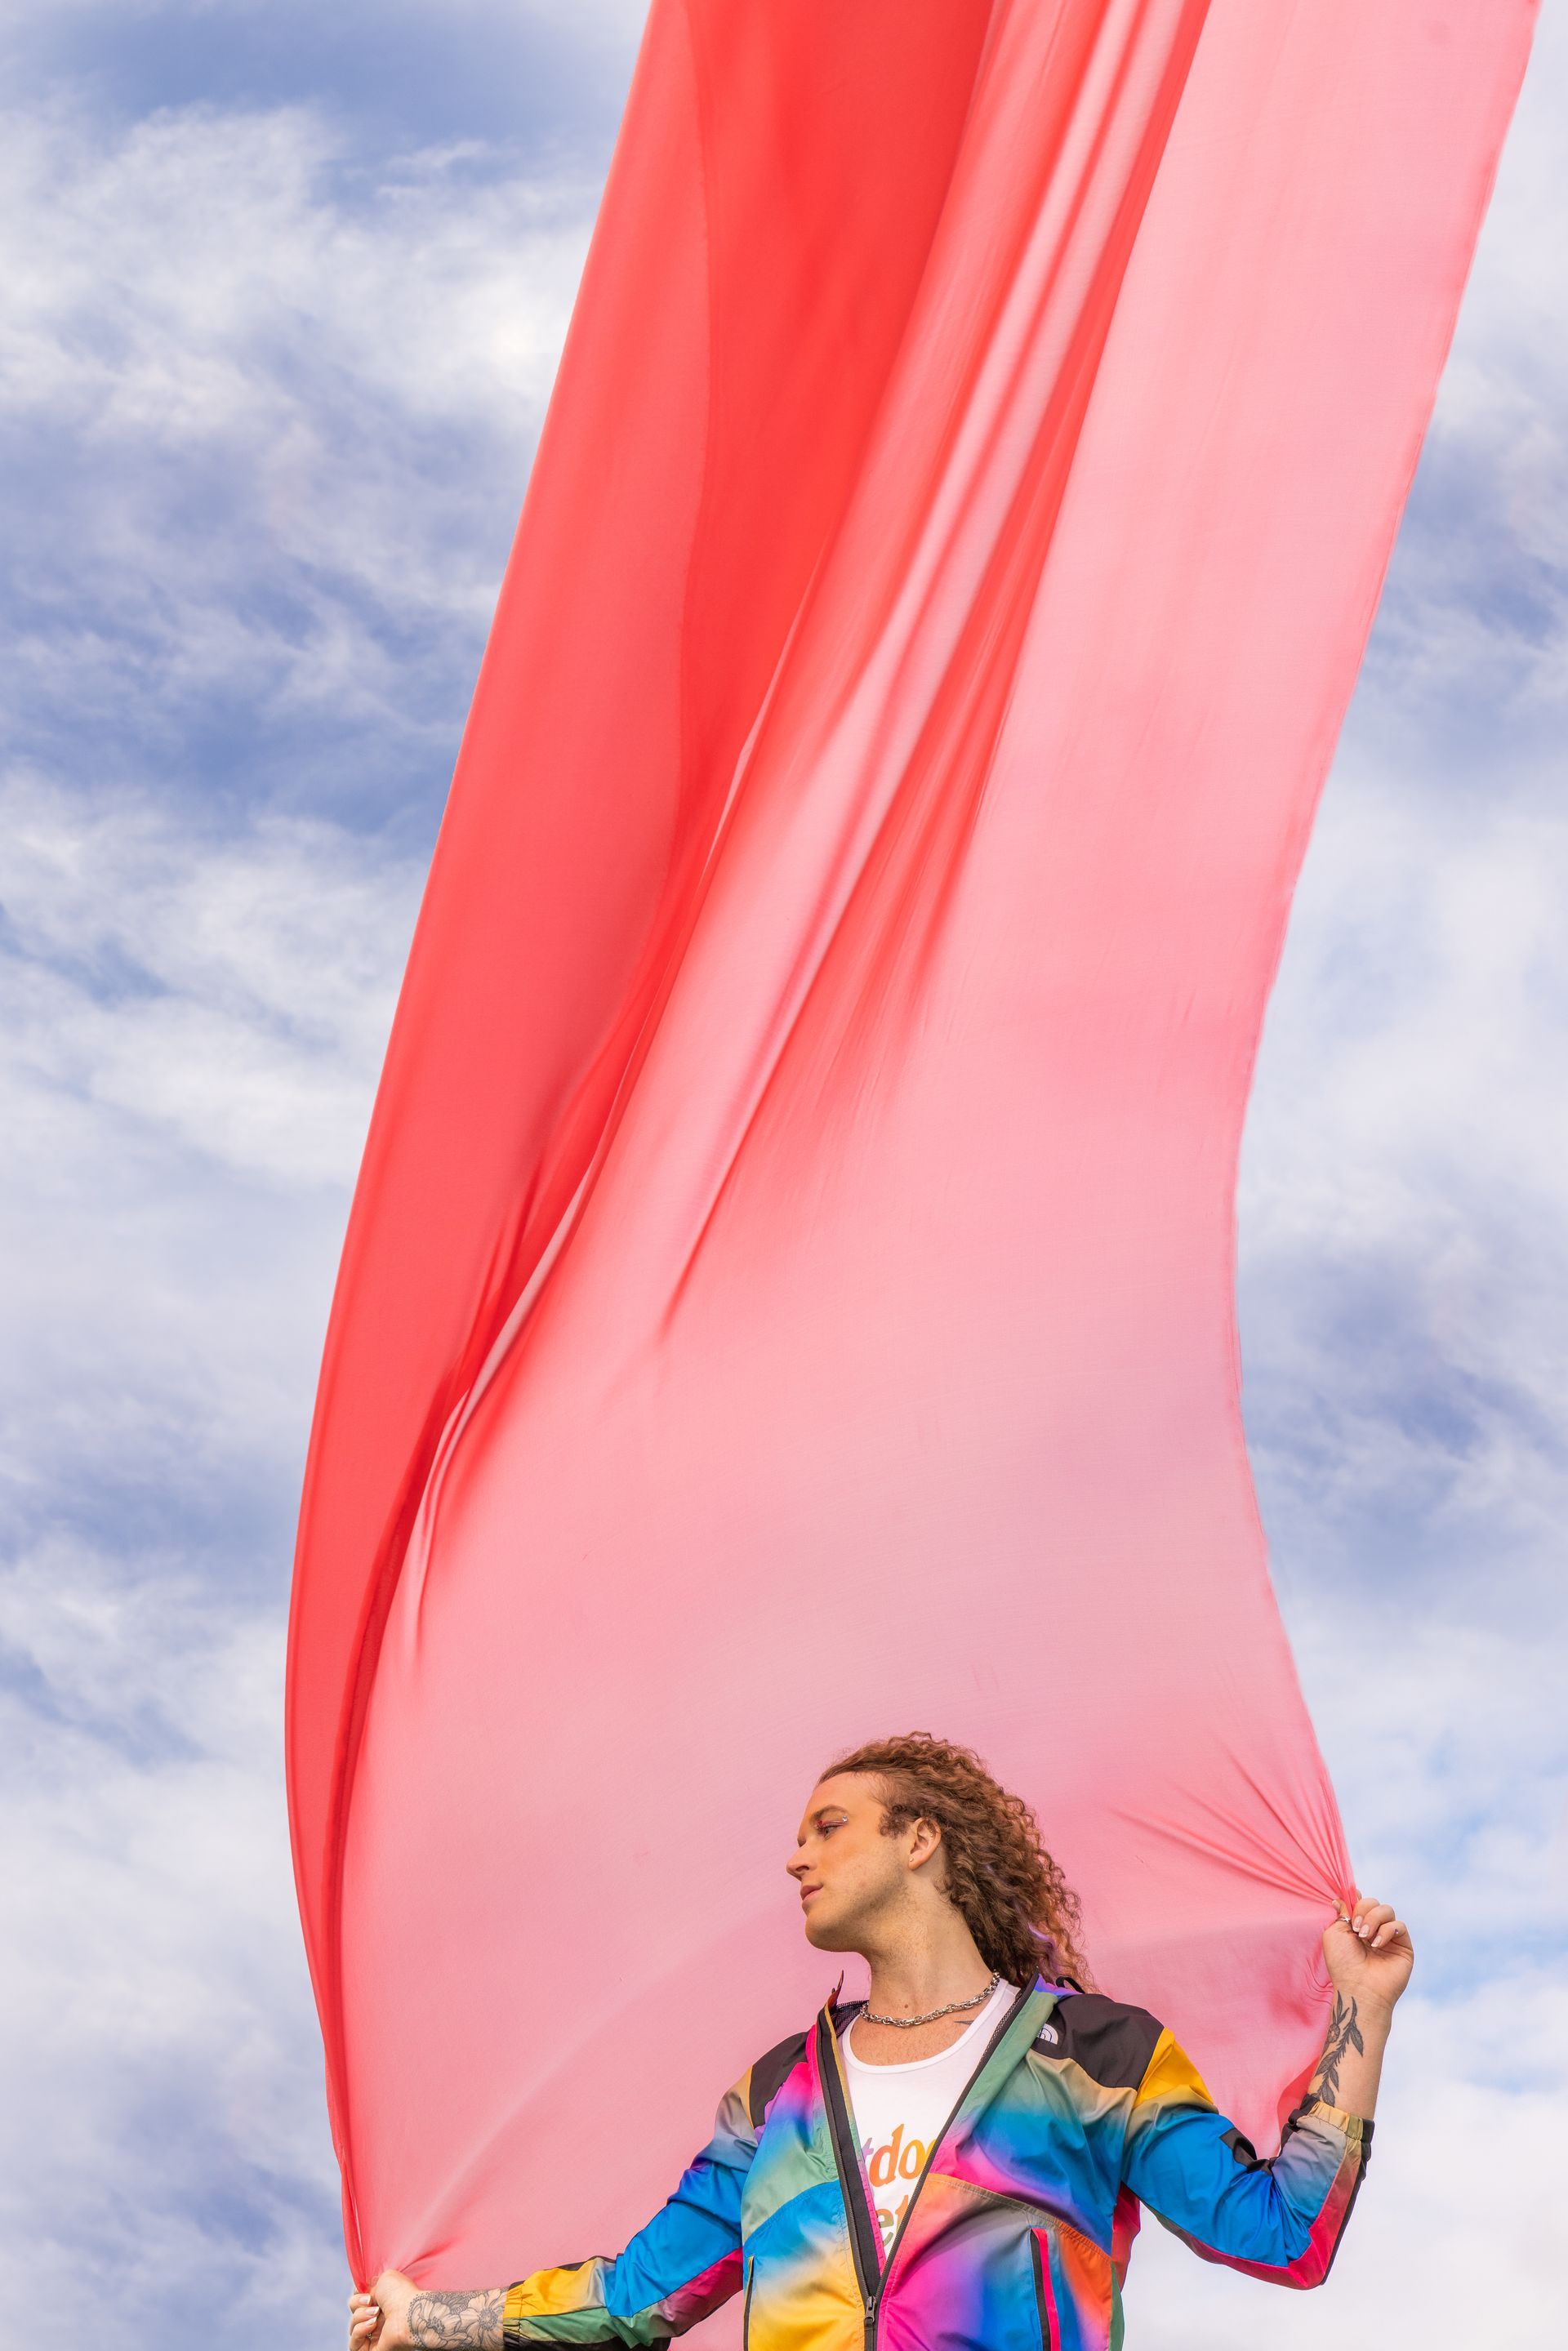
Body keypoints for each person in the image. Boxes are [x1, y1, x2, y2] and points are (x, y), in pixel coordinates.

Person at [349, 1731, 1412, 2351]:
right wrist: (424, 2322)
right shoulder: (777, 2095)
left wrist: (1362, 2006)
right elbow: (636, 2300)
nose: (795, 1860)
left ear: (920, 1841)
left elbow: (1284, 2235)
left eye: (829, 1828)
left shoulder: (1096, 2056)